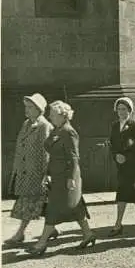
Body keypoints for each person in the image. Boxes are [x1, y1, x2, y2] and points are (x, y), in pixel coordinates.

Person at [26, 101, 95, 255]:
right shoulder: (57, 130)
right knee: (76, 207)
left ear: (62, 115)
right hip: (57, 175)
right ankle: (88, 234)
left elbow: (74, 157)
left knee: (54, 208)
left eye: (52, 114)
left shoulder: (68, 131)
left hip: (67, 177)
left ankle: (41, 243)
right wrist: (47, 173)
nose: (50, 117)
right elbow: (52, 153)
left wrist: (71, 178)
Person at [4, 93, 57, 245]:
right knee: (39, 203)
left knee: (29, 203)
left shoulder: (44, 126)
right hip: (24, 172)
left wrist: (46, 173)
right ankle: (52, 229)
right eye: (26, 106)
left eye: (30, 107)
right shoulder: (26, 124)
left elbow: (47, 152)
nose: (26, 110)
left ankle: (20, 233)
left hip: (37, 173)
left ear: (39, 109)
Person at [108, 97, 135, 237]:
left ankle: (118, 224)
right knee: (131, 192)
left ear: (130, 110)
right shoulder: (115, 126)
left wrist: (126, 156)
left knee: (124, 191)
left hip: (133, 164)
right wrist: (116, 155)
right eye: (119, 109)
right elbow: (112, 144)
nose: (121, 112)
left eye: (124, 109)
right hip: (121, 164)